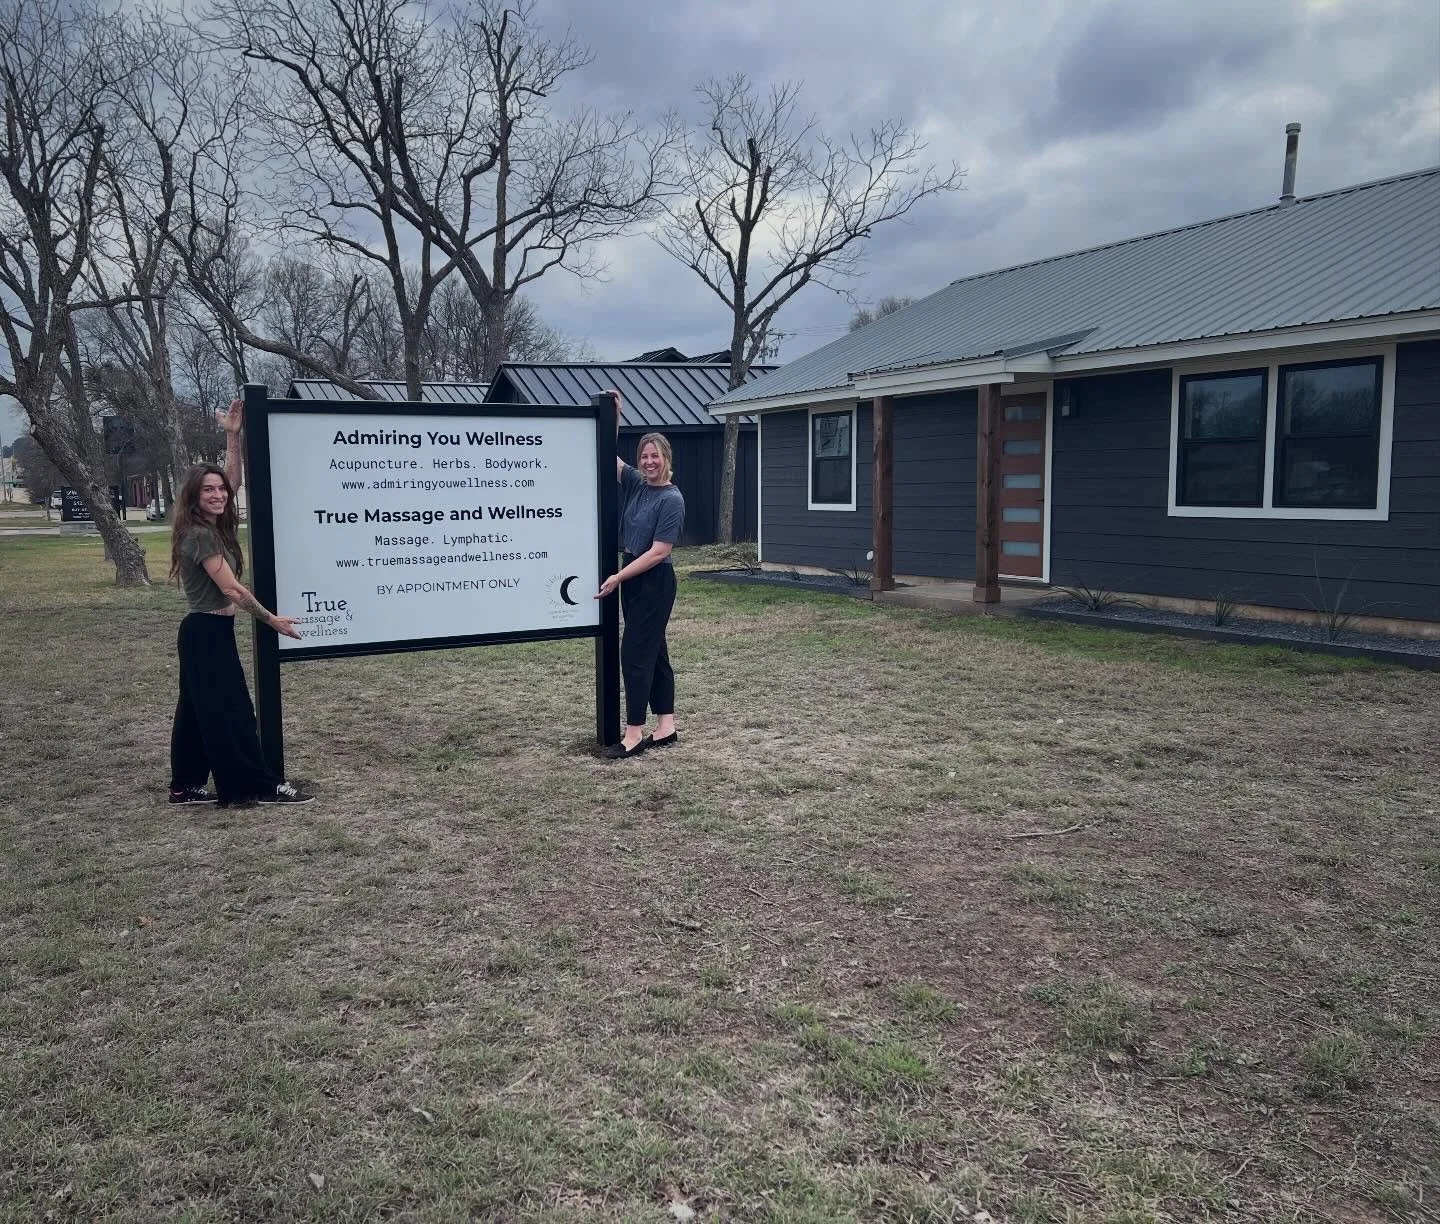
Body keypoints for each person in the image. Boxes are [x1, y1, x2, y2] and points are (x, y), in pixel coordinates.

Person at [167, 399, 313, 806]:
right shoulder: (201, 535)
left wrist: (233, 436)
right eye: (207, 490)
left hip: (207, 632)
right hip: (206, 632)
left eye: (219, 490)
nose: (218, 494)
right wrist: (272, 621)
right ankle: (256, 784)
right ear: (193, 498)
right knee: (232, 713)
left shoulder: (213, 523)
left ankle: (185, 785)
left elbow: (231, 481)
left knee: (197, 712)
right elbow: (231, 589)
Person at [596, 390, 685, 760]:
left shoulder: (671, 500)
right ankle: (667, 726)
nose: (648, 462)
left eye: (655, 456)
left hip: (653, 582)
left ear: (666, 459)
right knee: (655, 652)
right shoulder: (636, 484)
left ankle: (633, 734)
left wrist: (617, 577)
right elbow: (609, 455)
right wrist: (613, 414)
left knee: (633, 654)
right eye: (644, 456)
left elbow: (659, 552)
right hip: (632, 580)